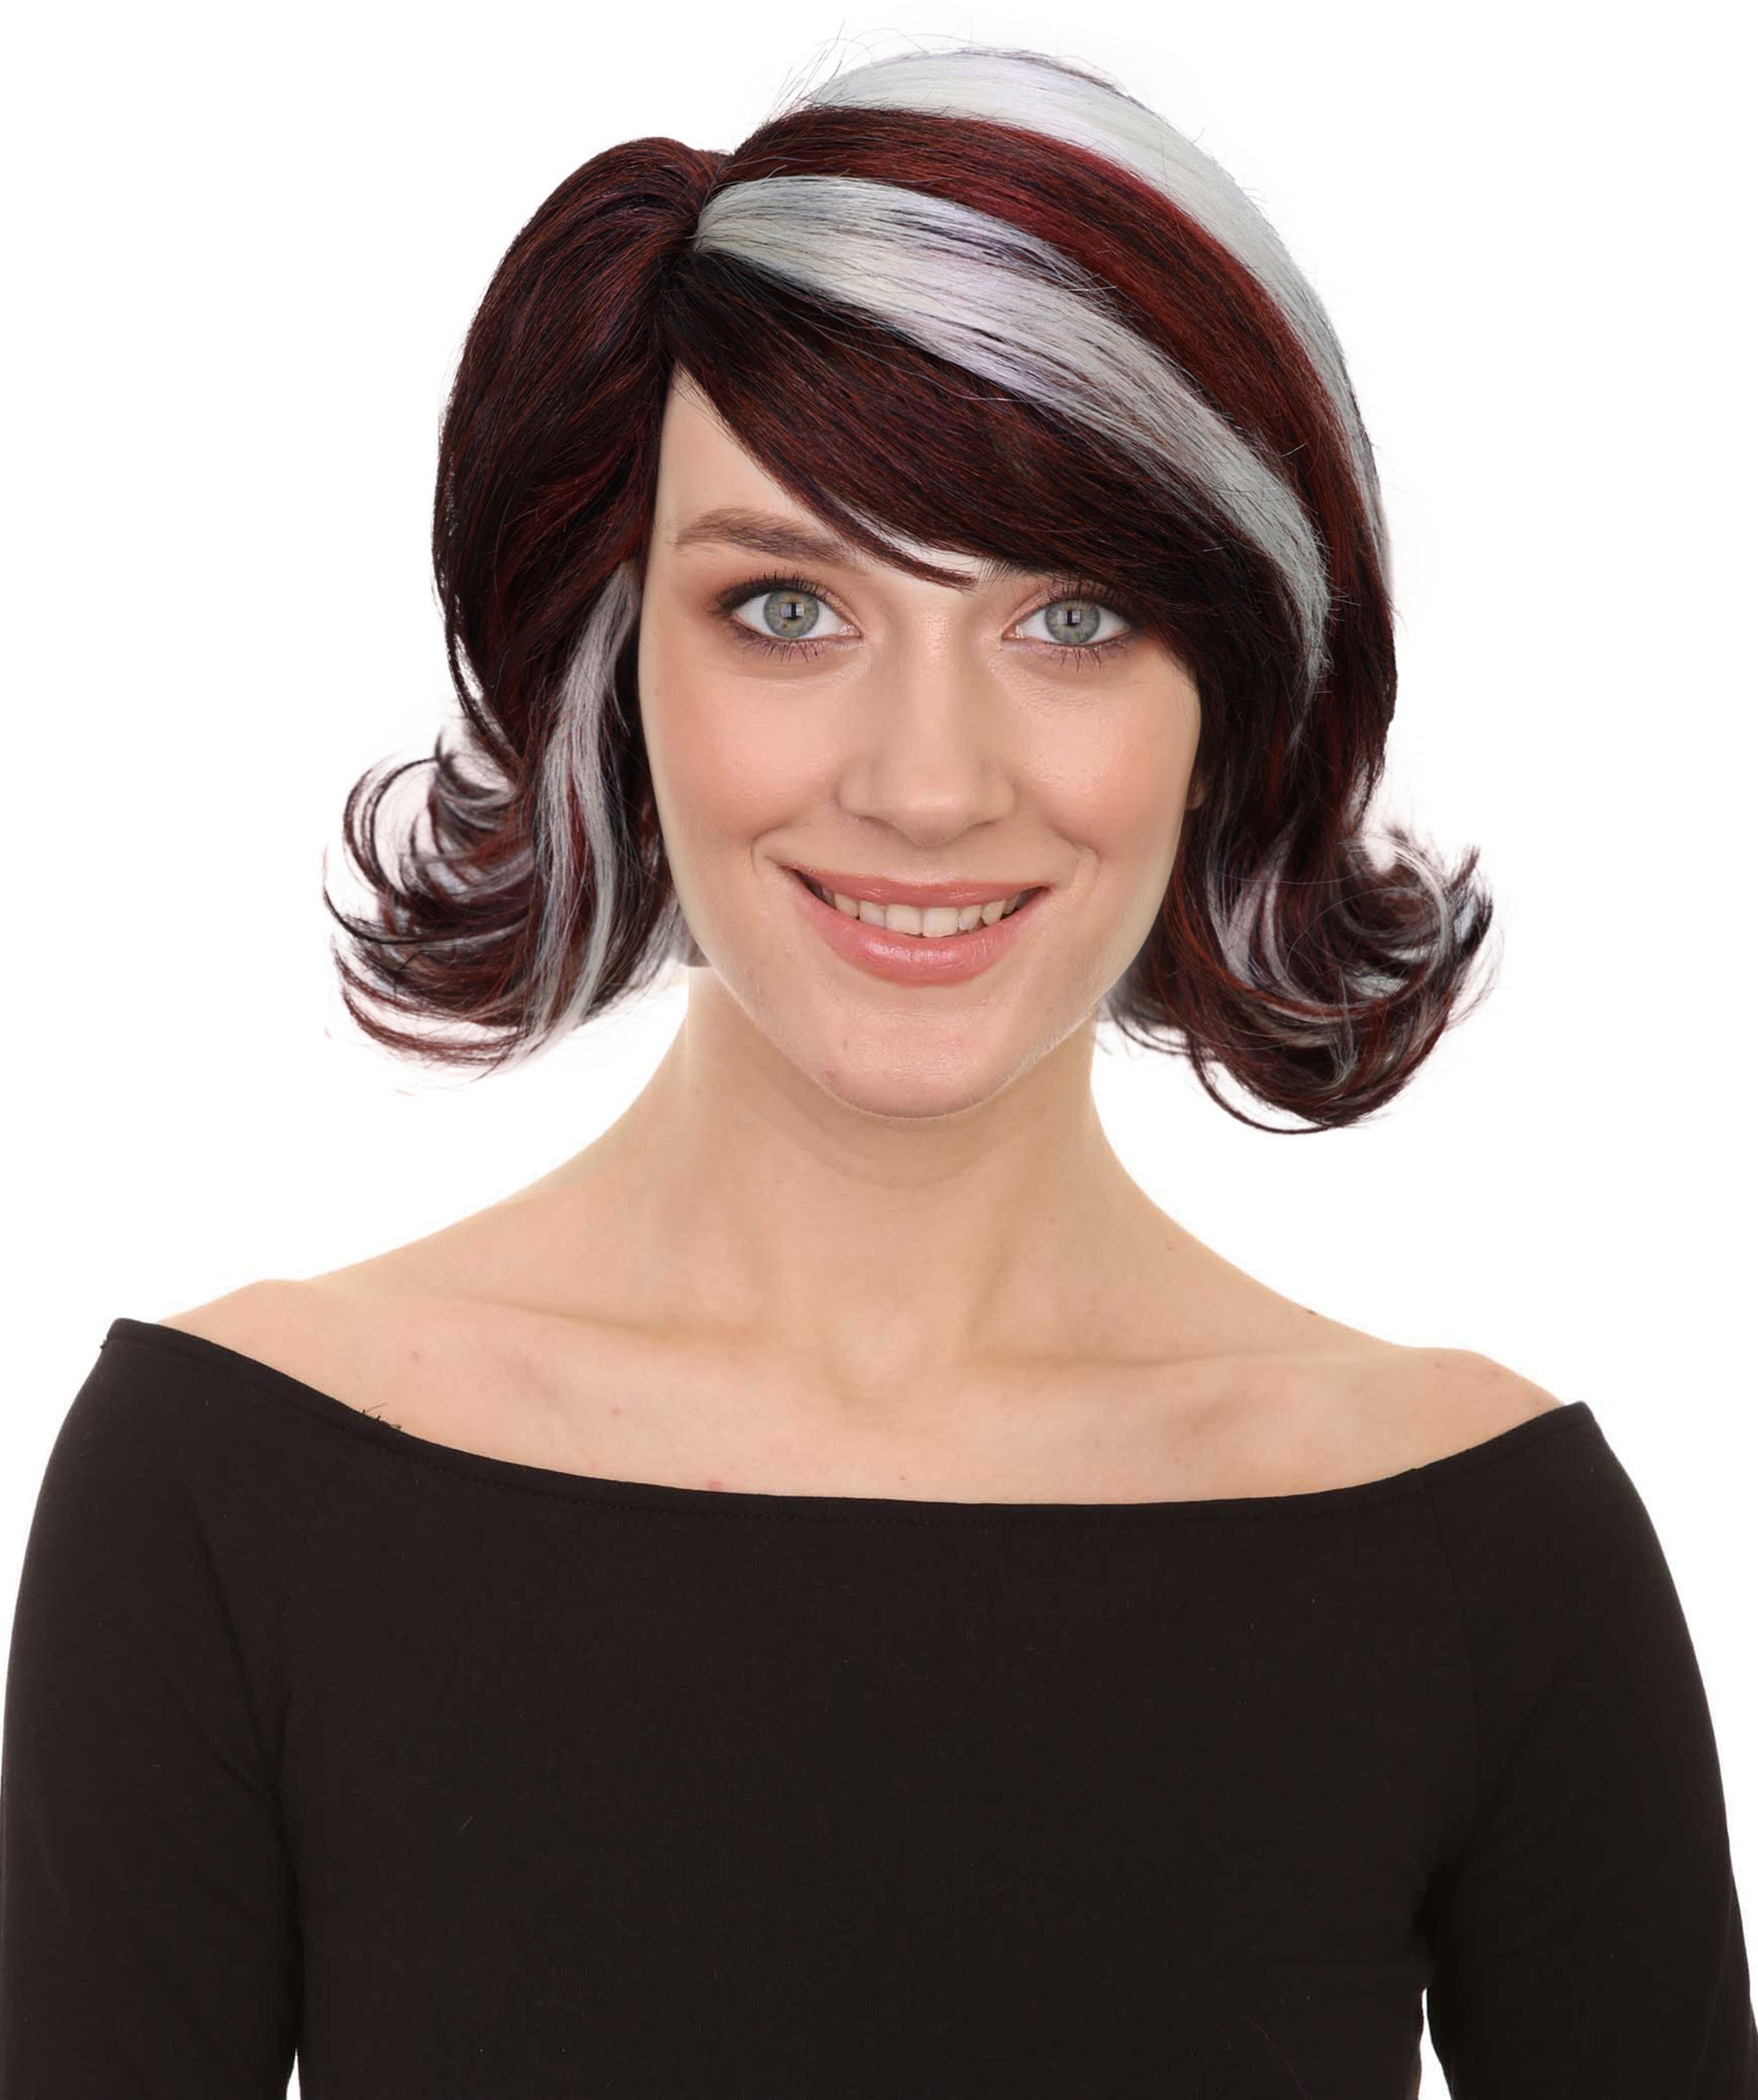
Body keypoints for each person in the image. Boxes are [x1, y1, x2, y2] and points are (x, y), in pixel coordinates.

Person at [3, 41, 1753, 2098]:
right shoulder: (229, 1491)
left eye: (1072, 618)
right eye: (785, 604)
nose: (927, 786)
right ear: (616, 665)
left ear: (1235, 693)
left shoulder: (1478, 1543)